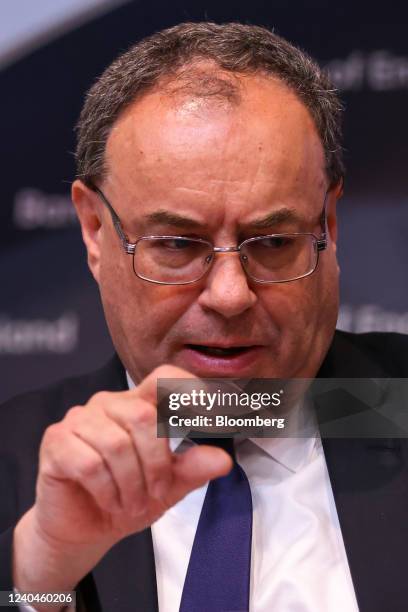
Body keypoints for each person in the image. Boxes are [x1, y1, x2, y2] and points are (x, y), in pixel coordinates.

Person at [1, 21, 407, 612]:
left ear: (328, 226)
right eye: (176, 244)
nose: (229, 295)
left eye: (272, 242)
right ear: (94, 231)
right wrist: (41, 574)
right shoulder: (14, 460)